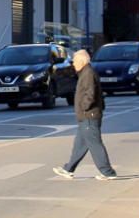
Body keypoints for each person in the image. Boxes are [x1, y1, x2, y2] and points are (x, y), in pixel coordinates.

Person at [53, 49, 117, 181]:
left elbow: (90, 94)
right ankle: (68, 169)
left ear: (82, 61)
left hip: (89, 115)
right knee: (79, 145)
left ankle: (107, 172)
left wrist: (83, 108)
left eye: (75, 61)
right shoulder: (85, 72)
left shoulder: (88, 73)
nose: (73, 64)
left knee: (95, 144)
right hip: (86, 116)